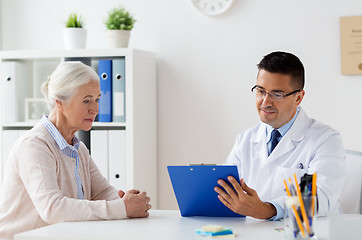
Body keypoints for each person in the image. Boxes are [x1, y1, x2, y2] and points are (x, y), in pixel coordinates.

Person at [0, 62, 151, 240]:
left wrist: (128, 201)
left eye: (97, 99)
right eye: (86, 100)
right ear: (59, 102)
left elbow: (101, 193)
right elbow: (53, 209)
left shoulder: (78, 148)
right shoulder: (34, 145)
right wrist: (122, 208)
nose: (95, 109)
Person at [214, 51, 345, 220]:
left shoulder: (325, 140)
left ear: (298, 98)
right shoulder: (245, 139)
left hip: (308, 234)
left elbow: (321, 198)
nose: (266, 102)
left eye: (277, 94)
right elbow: (226, 189)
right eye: (261, 91)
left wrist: (268, 210)